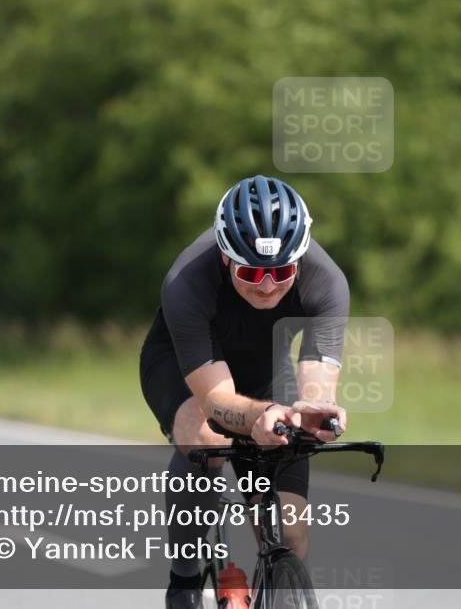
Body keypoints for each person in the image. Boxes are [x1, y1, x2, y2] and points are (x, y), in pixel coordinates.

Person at [140, 175, 349, 609]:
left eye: (281, 272)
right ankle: (184, 580)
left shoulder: (327, 282)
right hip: (183, 370)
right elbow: (216, 402)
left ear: (300, 257)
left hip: (266, 373)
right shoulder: (185, 282)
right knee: (208, 441)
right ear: (224, 256)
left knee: (291, 532)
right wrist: (260, 417)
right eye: (252, 272)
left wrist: (312, 413)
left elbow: (315, 381)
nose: (268, 285)